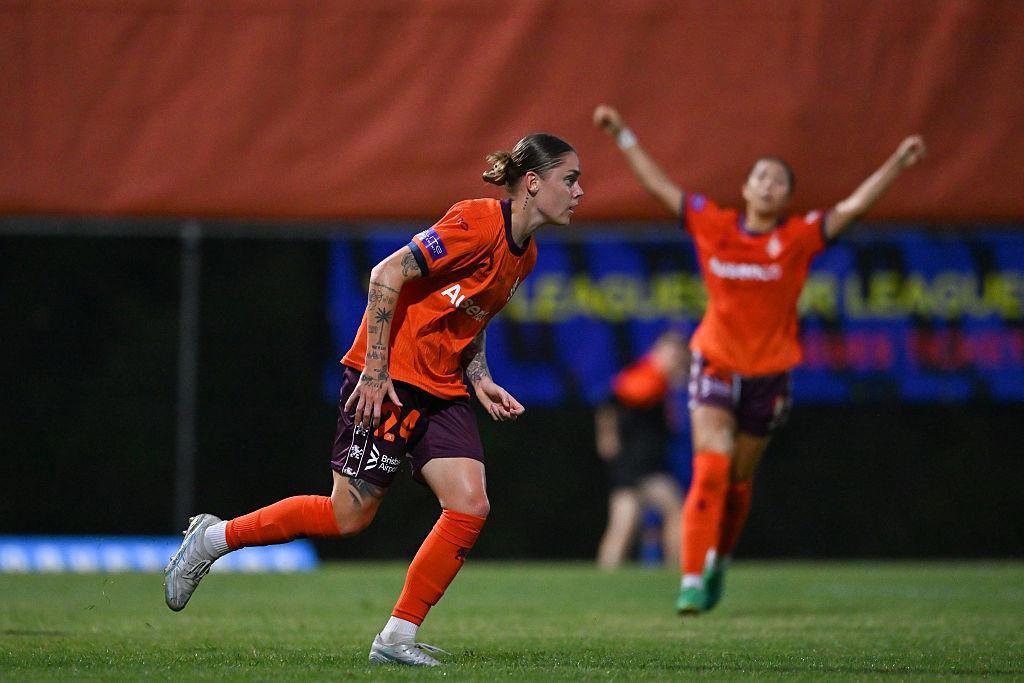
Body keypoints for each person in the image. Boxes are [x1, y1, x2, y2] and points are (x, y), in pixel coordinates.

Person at [163, 132, 584, 666]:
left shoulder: (525, 257)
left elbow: (470, 317)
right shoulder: (476, 222)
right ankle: (214, 539)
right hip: (390, 379)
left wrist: (479, 377)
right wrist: (376, 370)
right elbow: (385, 274)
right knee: (348, 517)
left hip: (442, 386)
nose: (579, 192)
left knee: (470, 504)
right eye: (569, 179)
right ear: (532, 182)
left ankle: (396, 639)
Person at [594, 104, 925, 614]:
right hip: (715, 363)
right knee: (710, 466)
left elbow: (853, 207)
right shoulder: (714, 225)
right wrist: (624, 135)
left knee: (738, 482)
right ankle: (690, 580)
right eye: (760, 176)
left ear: (786, 198)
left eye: (779, 180)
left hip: (768, 376)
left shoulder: (794, 239)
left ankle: (718, 562)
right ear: (746, 188)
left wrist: (898, 164)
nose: (768, 183)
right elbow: (660, 188)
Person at [595, 330, 687, 569]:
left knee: (622, 525)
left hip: (632, 465)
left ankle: (603, 577)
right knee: (675, 508)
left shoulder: (658, 381)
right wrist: (607, 435)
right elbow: (611, 401)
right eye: (671, 354)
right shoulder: (648, 377)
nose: (675, 360)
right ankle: (674, 568)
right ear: (658, 352)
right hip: (638, 466)